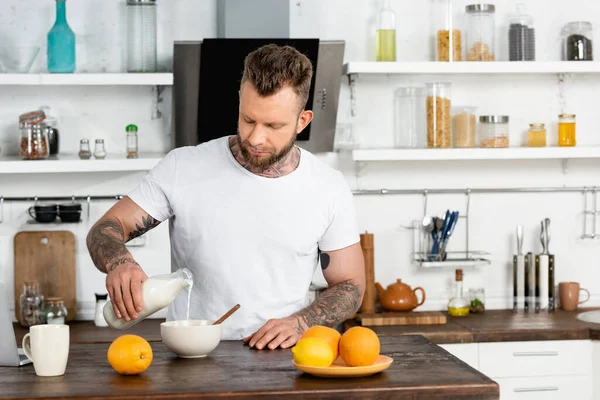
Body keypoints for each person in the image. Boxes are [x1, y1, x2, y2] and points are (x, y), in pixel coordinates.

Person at [86, 43, 365, 350]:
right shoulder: (183, 167)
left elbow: (351, 285)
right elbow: (106, 227)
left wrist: (302, 322)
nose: (256, 138)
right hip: (192, 355)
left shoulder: (327, 186)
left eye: (273, 126)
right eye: (248, 120)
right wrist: (119, 262)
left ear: (302, 120)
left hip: (283, 359)